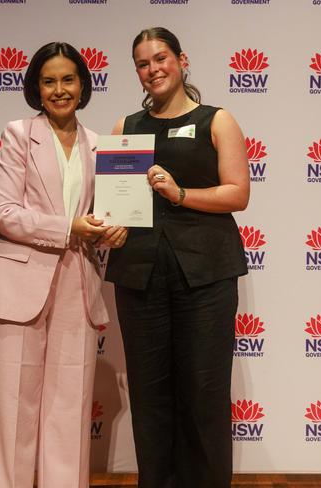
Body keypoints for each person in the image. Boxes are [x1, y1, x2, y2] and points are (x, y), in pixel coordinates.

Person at [0, 41, 127, 488]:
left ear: (82, 85)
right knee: (11, 410)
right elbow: (3, 213)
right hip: (19, 284)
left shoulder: (102, 145)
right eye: (49, 81)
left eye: (68, 79)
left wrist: (117, 230)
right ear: (35, 89)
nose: (60, 89)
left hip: (77, 284)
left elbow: (112, 213)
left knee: (68, 409)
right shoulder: (19, 134)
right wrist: (69, 228)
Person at [106, 27, 250, 488]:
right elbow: (112, 201)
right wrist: (109, 223)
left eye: (161, 58)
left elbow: (237, 194)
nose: (153, 70)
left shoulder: (217, 119)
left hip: (205, 276)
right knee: (150, 396)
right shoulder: (125, 128)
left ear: (181, 60)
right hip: (141, 277)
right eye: (143, 64)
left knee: (204, 394)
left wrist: (180, 192)